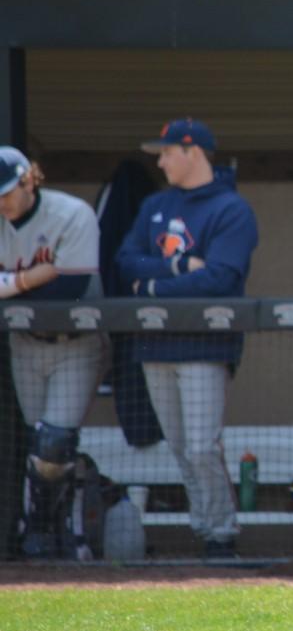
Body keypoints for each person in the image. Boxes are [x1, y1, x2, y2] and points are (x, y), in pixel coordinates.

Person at [116, 118, 258, 558]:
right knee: (179, 446)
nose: (160, 161)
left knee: (200, 446)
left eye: (166, 152)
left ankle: (221, 534)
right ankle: (205, 530)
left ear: (192, 151)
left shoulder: (231, 209)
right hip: (154, 342)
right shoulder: (155, 204)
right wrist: (179, 267)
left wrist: (153, 287)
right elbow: (126, 260)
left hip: (204, 344)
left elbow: (220, 277)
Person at [0, 146, 105, 559]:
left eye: (6, 192)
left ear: (29, 180)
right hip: (25, 343)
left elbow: (69, 291)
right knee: (38, 443)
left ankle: (46, 526)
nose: (1, 202)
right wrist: (33, 277)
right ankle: (47, 529)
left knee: (55, 441)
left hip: (75, 343)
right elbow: (48, 283)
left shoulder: (71, 214)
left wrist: (10, 283)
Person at [95, 158, 163, 448]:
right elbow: (111, 260)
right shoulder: (121, 197)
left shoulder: (157, 208)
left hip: (161, 325)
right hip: (122, 318)